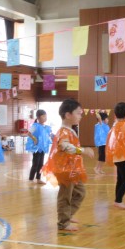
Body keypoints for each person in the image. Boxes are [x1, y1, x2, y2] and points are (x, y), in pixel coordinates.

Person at [42, 99, 94, 232]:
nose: (80, 116)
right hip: (65, 170)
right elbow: (65, 146)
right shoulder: (64, 132)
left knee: (80, 193)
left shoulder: (70, 131)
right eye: (78, 113)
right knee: (65, 196)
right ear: (68, 115)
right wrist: (83, 150)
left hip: (72, 170)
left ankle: (68, 214)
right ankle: (63, 223)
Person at [26, 109, 53, 184]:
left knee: (41, 164)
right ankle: (31, 179)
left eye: (46, 116)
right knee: (35, 164)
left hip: (42, 148)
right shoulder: (35, 126)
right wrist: (34, 139)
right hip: (36, 148)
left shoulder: (46, 127)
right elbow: (29, 133)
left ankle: (38, 178)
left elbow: (47, 136)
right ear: (38, 117)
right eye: (43, 116)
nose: (45, 118)